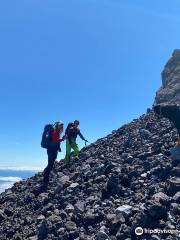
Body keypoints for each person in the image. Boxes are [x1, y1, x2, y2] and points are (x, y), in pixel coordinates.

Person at [43, 121, 65, 187]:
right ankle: (45, 180)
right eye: (60, 125)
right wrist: (63, 139)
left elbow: (55, 141)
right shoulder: (55, 131)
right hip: (52, 150)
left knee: (51, 164)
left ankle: (46, 175)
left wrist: (58, 146)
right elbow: (55, 141)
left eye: (62, 125)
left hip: (52, 150)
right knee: (50, 165)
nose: (61, 126)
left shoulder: (56, 131)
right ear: (57, 125)